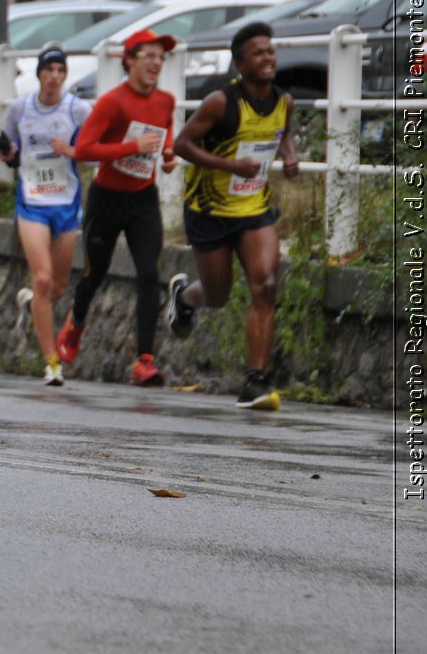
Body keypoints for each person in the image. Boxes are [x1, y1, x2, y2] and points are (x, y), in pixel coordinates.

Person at [167, 21, 300, 410]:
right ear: (240, 64)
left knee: (266, 285)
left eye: (271, 51)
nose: (268, 58)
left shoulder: (284, 101)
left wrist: (290, 155)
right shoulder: (220, 103)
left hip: (254, 208)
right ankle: (184, 296)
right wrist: (228, 166)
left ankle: (255, 382)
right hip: (208, 209)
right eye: (258, 53)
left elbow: (283, 133)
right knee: (218, 295)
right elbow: (182, 145)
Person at [55, 28, 179, 386]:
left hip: (143, 198)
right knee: (94, 275)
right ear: (130, 61)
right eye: (149, 56)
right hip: (106, 199)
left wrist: (168, 154)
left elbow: (165, 131)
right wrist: (133, 146)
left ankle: (143, 360)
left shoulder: (166, 100)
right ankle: (76, 322)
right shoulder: (112, 102)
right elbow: (83, 150)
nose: (156, 63)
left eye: (161, 57)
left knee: (149, 275)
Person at [0, 46, 92, 386]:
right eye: (48, 69)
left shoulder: (78, 110)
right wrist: (8, 154)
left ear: (65, 76)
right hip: (32, 201)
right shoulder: (20, 108)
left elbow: (93, 152)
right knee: (41, 278)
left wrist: (73, 151)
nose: (54, 76)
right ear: (39, 74)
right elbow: (8, 151)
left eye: (60, 70)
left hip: (66, 203)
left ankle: (29, 305)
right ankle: (51, 362)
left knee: (56, 287)